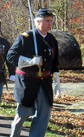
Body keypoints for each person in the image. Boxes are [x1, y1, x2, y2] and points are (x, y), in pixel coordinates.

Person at [6, 8, 61, 137]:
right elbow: (11, 56)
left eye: (50, 21)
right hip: (27, 81)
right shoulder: (25, 38)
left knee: (44, 113)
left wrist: (57, 79)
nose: (50, 24)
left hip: (45, 81)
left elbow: (55, 61)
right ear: (37, 22)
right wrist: (28, 62)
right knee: (23, 112)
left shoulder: (52, 39)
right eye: (47, 21)